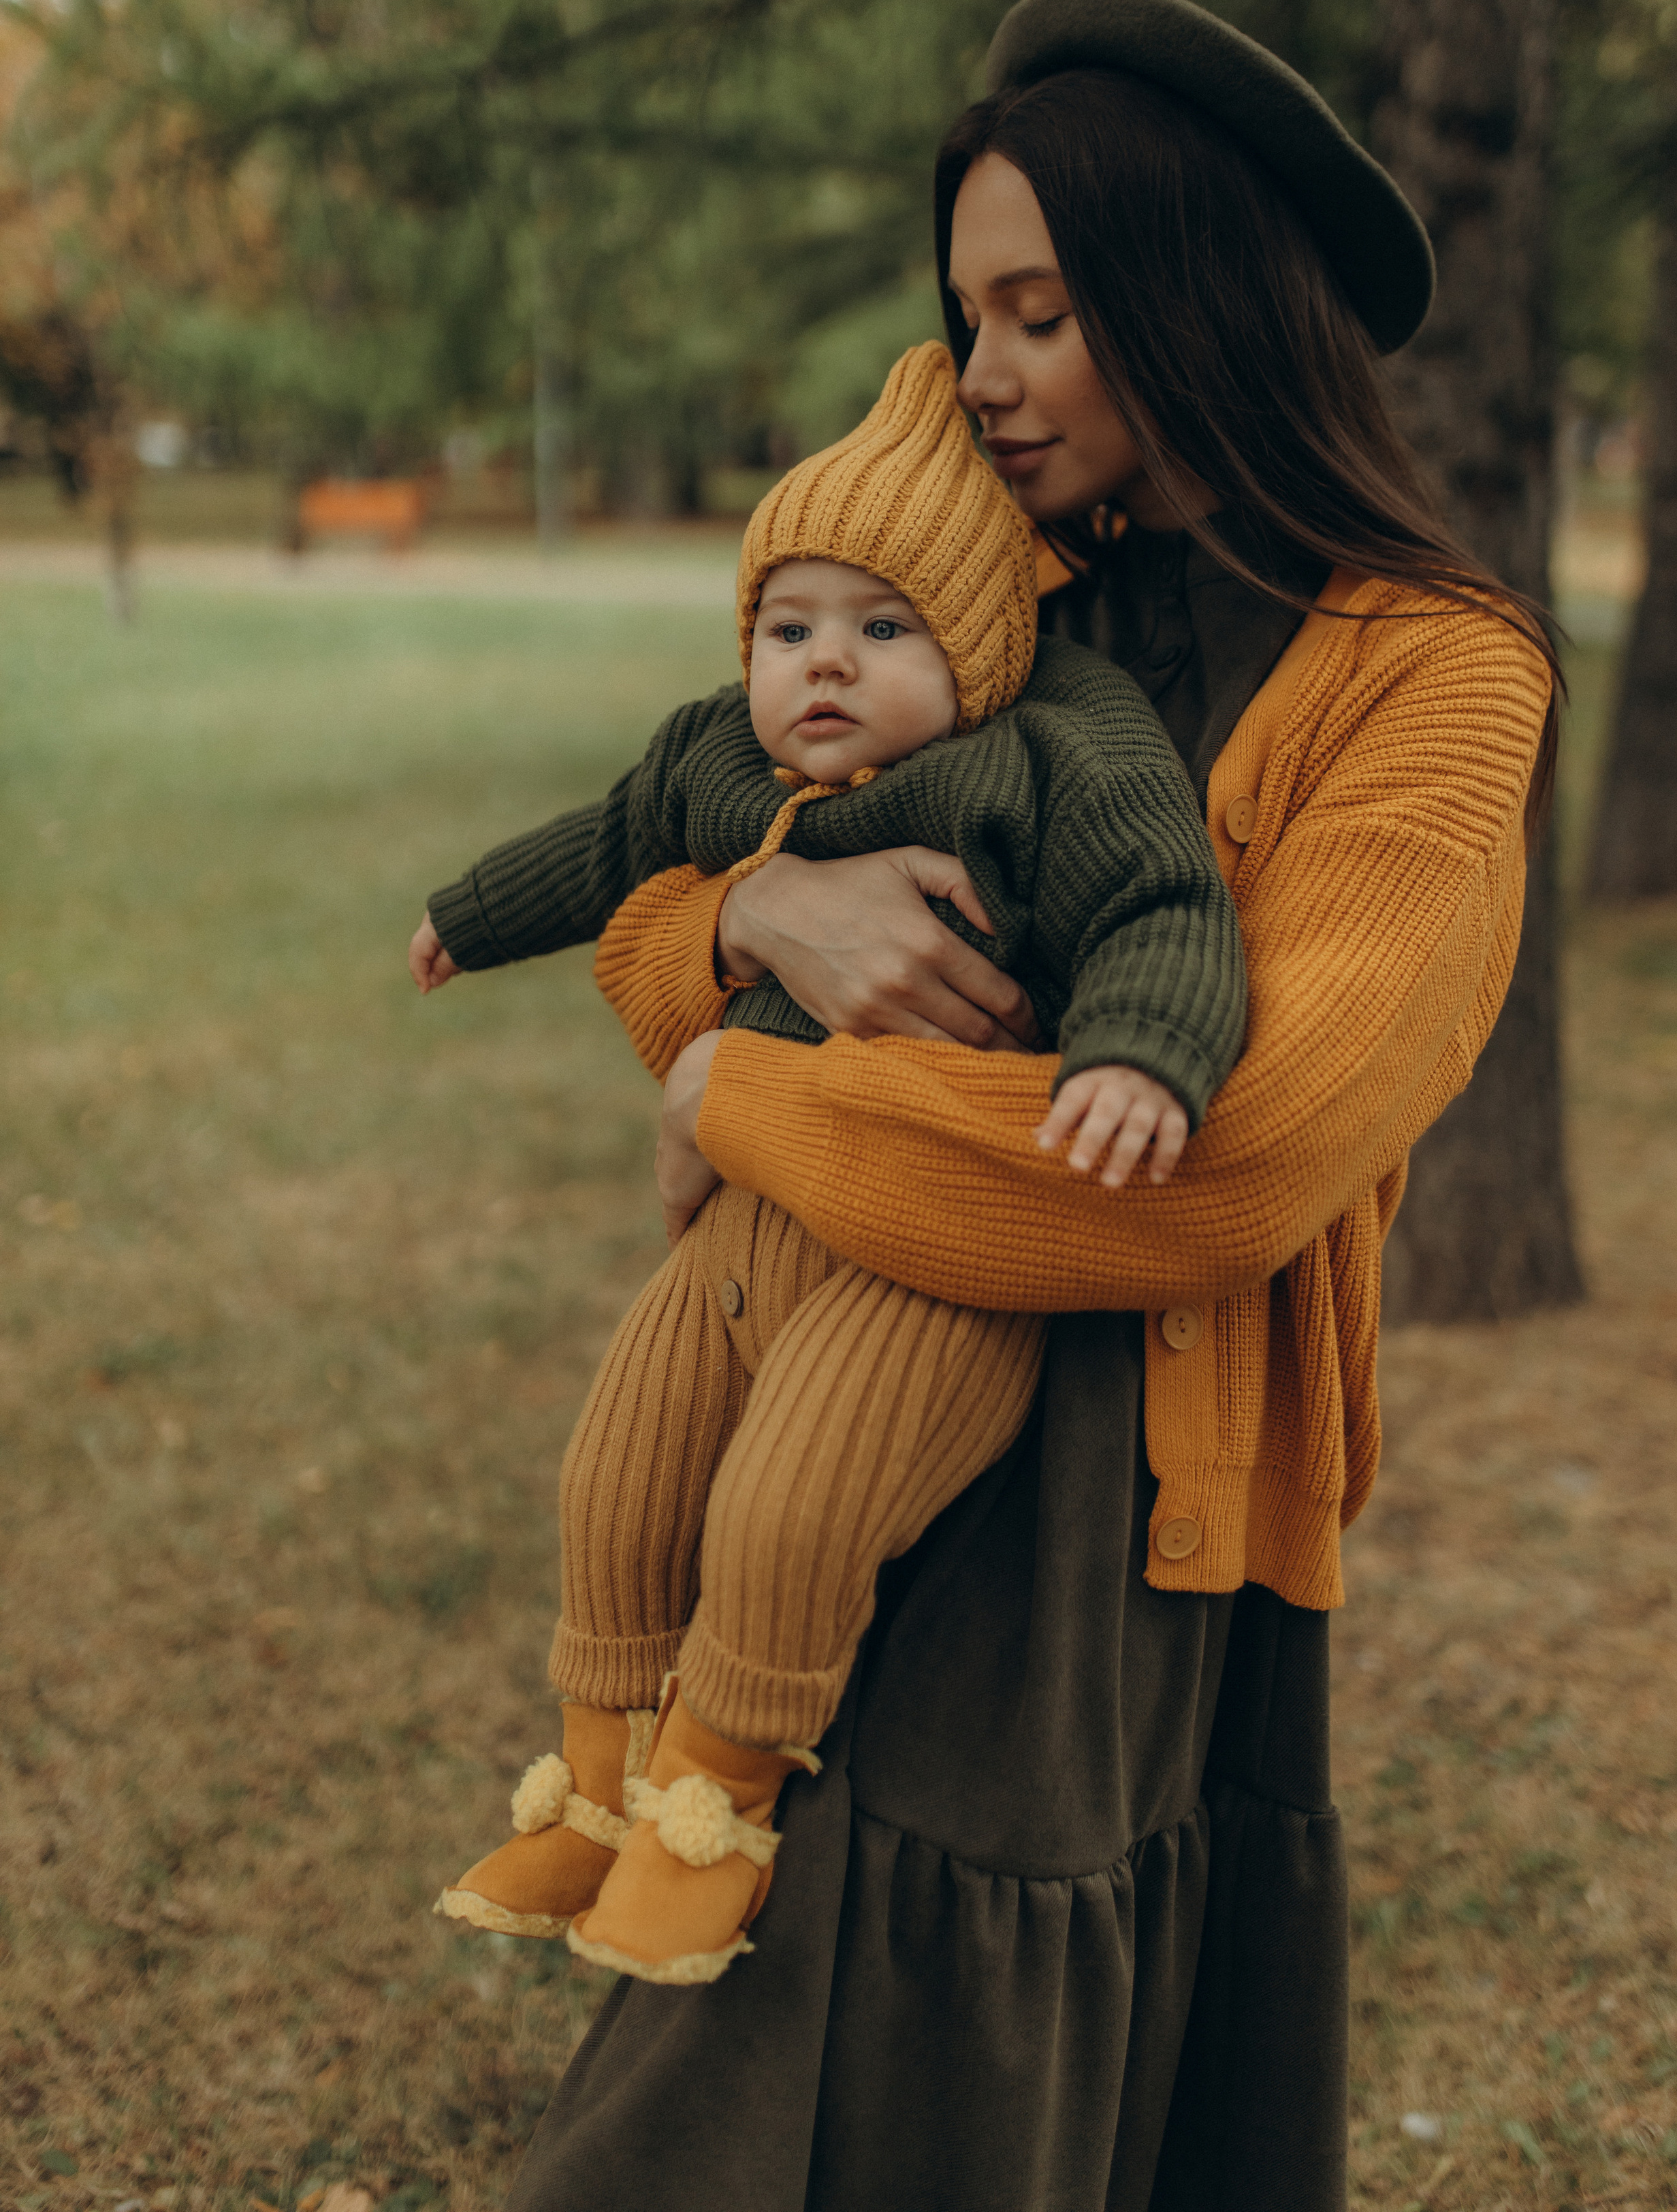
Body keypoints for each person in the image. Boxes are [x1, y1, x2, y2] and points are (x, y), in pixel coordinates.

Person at [500, 0, 1559, 2211]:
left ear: (1193, 302)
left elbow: (1232, 1164)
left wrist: (736, 1090)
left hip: (1130, 1486)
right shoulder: (986, 604)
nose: (979, 375)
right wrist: (761, 940)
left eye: (1041, 312)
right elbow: (665, 872)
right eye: (967, 312)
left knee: (974, 2080)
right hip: (833, 1375)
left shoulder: (1434, 682)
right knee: (739, 2004)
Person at [412, 338, 1247, 1985]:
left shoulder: (1052, 752)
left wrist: (1144, 1052)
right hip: (745, 1213)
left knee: (791, 1512)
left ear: (980, 642)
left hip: (928, 1243)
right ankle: (593, 1786)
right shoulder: (723, 756)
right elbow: (604, 845)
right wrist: (463, 912)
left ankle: (709, 1810)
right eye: (790, 629)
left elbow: (1165, 905)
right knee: (618, 1478)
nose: (825, 667)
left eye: (883, 629)